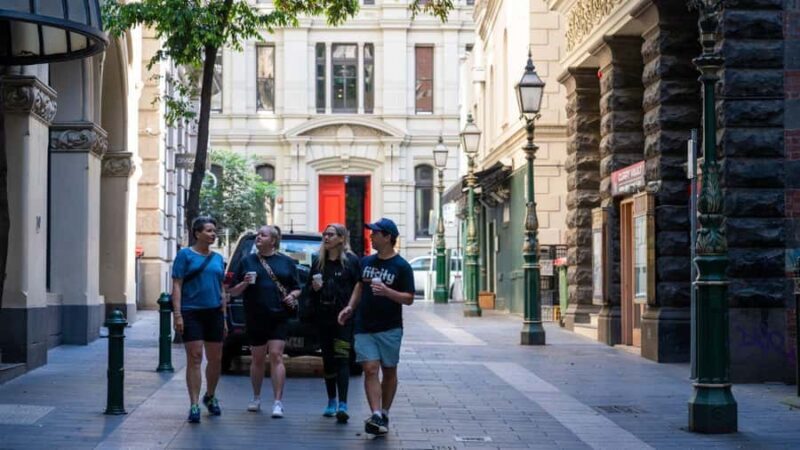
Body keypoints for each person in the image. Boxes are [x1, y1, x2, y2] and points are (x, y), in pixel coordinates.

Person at [338, 218, 415, 436]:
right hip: (364, 325)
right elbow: (359, 287)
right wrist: (350, 307)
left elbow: (409, 298)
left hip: (390, 327)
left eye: (375, 232)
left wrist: (387, 292)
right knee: (370, 369)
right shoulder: (366, 262)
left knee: (389, 371)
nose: (371, 236)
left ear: (388, 237)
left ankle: (385, 411)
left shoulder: (402, 266)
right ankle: (376, 415)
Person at [228, 225, 300, 418]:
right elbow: (232, 291)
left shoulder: (286, 262)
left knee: (276, 355)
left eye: (263, 235)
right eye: (258, 234)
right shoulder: (247, 261)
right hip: (255, 316)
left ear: (273, 241)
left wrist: (292, 296)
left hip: (279, 316)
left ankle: (278, 402)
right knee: (258, 358)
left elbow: (296, 287)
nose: (258, 237)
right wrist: (244, 283)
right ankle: (256, 397)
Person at [171, 216, 227, 423]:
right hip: (191, 312)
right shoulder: (184, 255)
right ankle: (194, 404)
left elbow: (222, 288)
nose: (213, 234)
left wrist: (225, 317)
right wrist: (177, 315)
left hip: (213, 312)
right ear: (197, 233)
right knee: (194, 357)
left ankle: (210, 396)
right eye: (209, 231)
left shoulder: (218, 258)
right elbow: (177, 285)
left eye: (214, 231)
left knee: (215, 359)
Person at [307, 223, 361, 423]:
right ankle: (331, 400)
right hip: (324, 319)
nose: (326, 238)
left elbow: (359, 287)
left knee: (342, 357)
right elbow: (309, 292)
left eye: (330, 234)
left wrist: (352, 309)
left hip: (344, 320)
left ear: (341, 238)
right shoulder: (318, 263)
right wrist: (314, 287)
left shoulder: (352, 262)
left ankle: (343, 404)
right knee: (328, 360)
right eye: (324, 234)